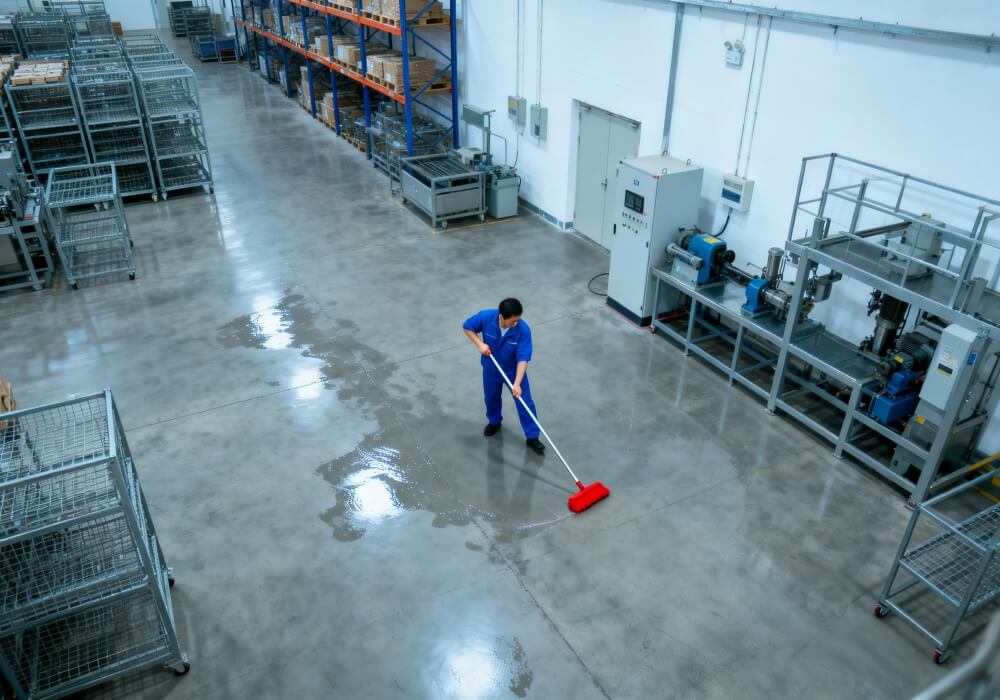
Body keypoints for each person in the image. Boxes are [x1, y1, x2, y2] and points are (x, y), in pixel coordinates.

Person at [463, 298, 545, 455]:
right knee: (491, 397)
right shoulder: (486, 317)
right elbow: (467, 326)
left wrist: (517, 383)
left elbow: (523, 358)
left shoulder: (523, 330)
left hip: (513, 371)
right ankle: (494, 421)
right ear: (502, 316)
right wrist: (479, 344)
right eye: (513, 320)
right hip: (491, 368)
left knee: (525, 402)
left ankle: (532, 436)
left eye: (518, 319)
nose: (516, 323)